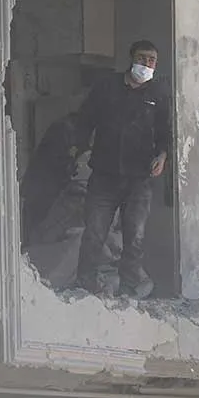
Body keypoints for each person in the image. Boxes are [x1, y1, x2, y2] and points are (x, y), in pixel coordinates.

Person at [71, 39, 170, 299]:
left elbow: (165, 132)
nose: (146, 64)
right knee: (94, 233)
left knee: (134, 239)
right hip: (104, 175)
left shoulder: (158, 94)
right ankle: (86, 288)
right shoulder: (108, 87)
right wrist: (80, 148)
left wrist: (162, 155)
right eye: (142, 58)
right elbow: (84, 119)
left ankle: (128, 293)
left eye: (151, 60)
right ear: (131, 59)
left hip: (139, 180)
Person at [20, 111, 80, 248]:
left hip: (41, 187)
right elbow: (57, 161)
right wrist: (70, 168)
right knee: (35, 232)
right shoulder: (64, 129)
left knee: (35, 230)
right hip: (41, 188)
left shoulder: (65, 127)